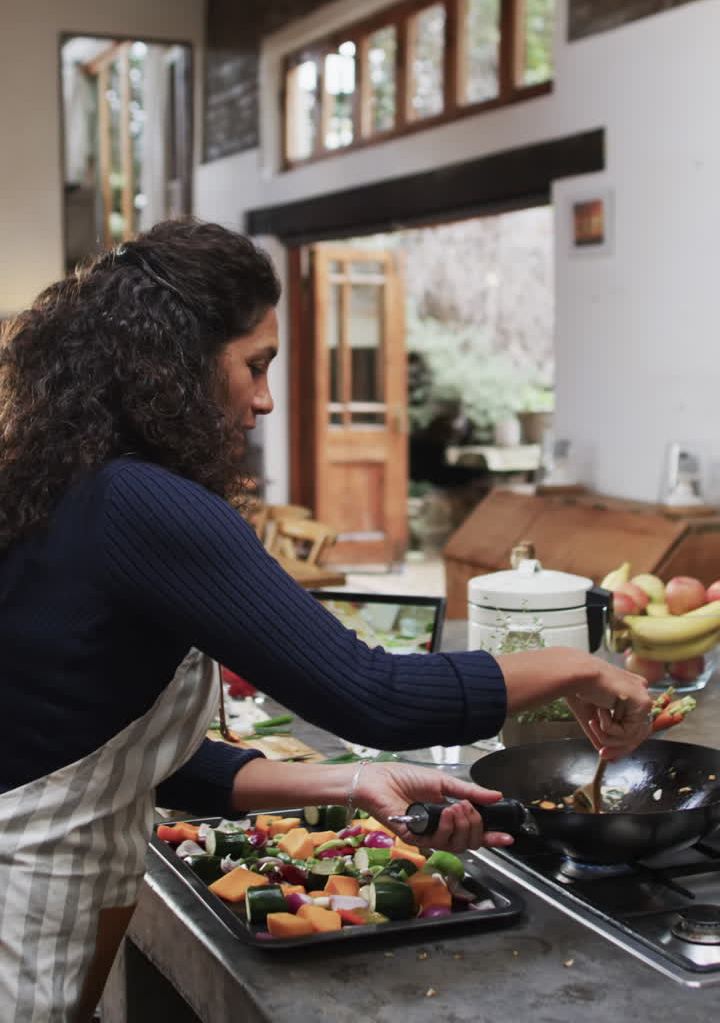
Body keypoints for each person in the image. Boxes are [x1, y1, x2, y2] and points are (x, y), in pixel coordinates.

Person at [0, 219, 653, 1021]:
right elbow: (373, 695)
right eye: (255, 365)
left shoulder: (74, 482)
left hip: (55, 887)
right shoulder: (142, 503)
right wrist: (577, 665)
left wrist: (352, 782)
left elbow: (143, 760)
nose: (265, 399)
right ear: (174, 360)